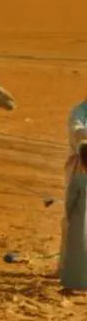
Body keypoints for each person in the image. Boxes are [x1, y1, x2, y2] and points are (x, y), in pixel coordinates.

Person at [63, 98, 87, 296]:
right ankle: (73, 276)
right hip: (81, 173)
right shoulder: (80, 111)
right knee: (77, 224)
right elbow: (77, 132)